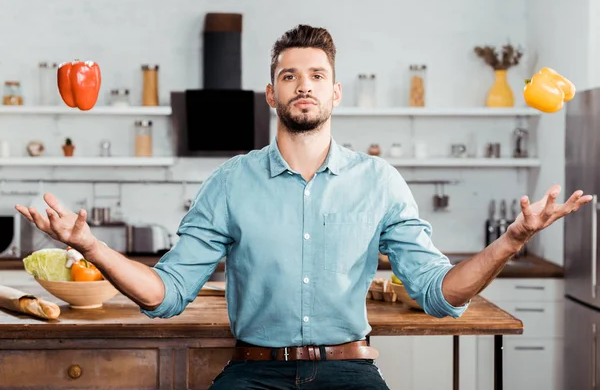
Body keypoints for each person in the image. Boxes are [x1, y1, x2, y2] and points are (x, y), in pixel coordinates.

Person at [15, 24, 591, 390]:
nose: (303, 85)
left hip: (351, 371)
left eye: (317, 75)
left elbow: (439, 295)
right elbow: (164, 297)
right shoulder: (230, 182)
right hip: (252, 373)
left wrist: (514, 239)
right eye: (289, 76)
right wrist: (88, 245)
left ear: (335, 92)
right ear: (272, 93)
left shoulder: (380, 182)